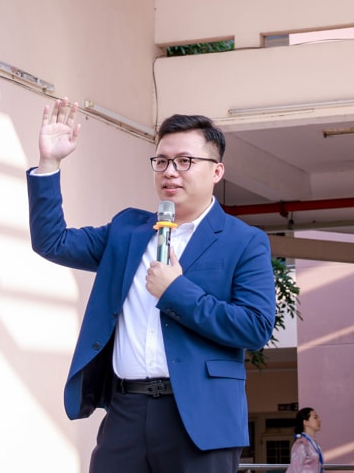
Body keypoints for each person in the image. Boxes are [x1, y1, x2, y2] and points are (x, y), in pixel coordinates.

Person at [26, 98, 277, 472]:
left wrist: (176, 292)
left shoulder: (243, 240)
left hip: (200, 420)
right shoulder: (128, 229)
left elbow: (255, 327)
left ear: (217, 171)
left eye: (184, 161)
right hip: (126, 412)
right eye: (161, 161)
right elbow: (53, 242)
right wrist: (49, 163)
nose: (170, 172)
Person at [286, 407, 324, 473]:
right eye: (315, 417)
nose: (319, 420)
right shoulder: (301, 444)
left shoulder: (313, 444)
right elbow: (295, 470)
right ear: (305, 422)